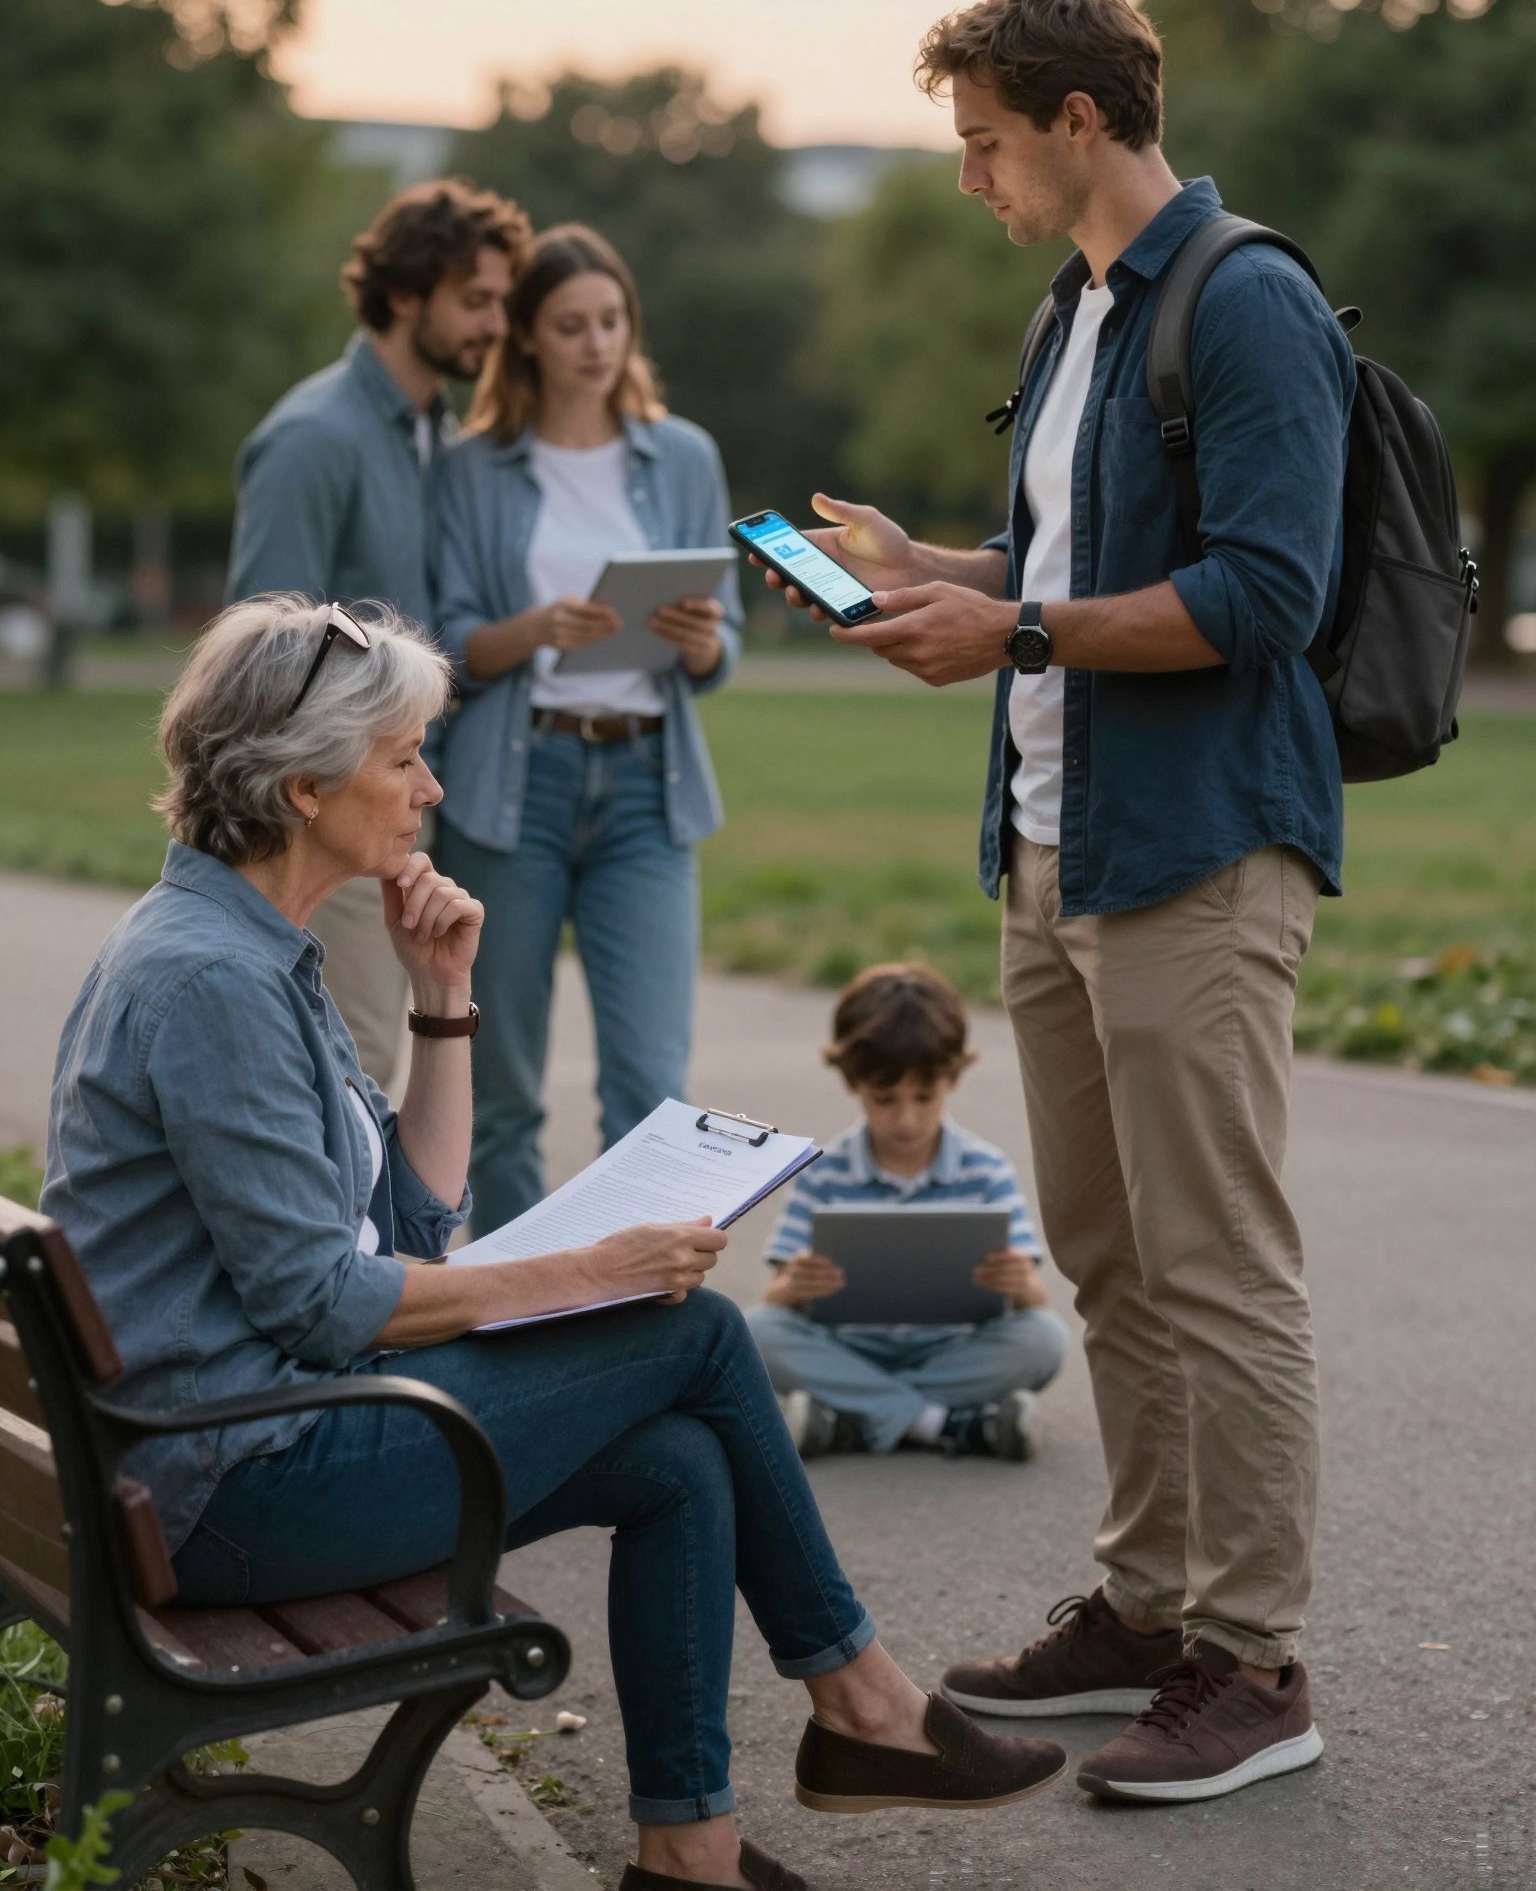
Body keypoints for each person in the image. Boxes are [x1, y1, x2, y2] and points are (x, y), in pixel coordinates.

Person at [40, 595, 1068, 1891]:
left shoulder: (246, 952)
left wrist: (445, 1008)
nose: (432, 786)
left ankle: (688, 1853)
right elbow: (320, 1300)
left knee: (682, 1459)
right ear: (303, 785)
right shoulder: (213, 982)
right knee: (692, 1328)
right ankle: (866, 1707)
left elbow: (410, 1228)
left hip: (234, 1447)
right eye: (406, 755)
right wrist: (593, 1271)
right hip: (232, 1489)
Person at [754, 0, 1353, 1805]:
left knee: (1217, 1265)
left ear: (1080, 120)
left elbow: (1267, 592)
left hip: (1190, 848)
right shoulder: (1080, 309)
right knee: (1108, 1255)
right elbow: (1067, 559)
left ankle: (1255, 1661)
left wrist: (1006, 619)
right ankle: (1149, 1610)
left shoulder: (1243, 303)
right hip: (1051, 841)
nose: (969, 176)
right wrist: (915, 562)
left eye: (986, 140)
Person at [432, 224, 742, 1231]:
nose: (596, 343)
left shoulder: (682, 454)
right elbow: (437, 646)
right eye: (570, 325)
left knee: (653, 1089)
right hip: (512, 791)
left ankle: (630, 1316)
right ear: (526, 337)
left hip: (649, 788)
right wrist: (534, 630)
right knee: (503, 1087)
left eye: (611, 321)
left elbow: (722, 648)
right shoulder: (470, 468)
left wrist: (698, 641)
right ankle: (518, 1311)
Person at [226, 178, 529, 1088]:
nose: (494, 326)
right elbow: (260, 659)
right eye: (475, 301)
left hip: (408, 802)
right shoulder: (315, 438)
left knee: (390, 1070)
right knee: (343, 1073)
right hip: (325, 823)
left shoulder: (432, 429)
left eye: (502, 304)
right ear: (405, 295)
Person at [747, 963, 1065, 1462]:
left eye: (924, 1096)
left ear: (953, 1079)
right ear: (853, 1083)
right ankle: (946, 1423)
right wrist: (794, 1287)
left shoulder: (986, 1169)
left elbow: (1033, 1300)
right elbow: (777, 1298)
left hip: (951, 1351)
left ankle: (848, 1420)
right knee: (757, 1332)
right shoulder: (822, 1172)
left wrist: (1020, 1283)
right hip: (850, 1349)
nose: (906, 1118)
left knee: (1044, 1339)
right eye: (885, 1098)